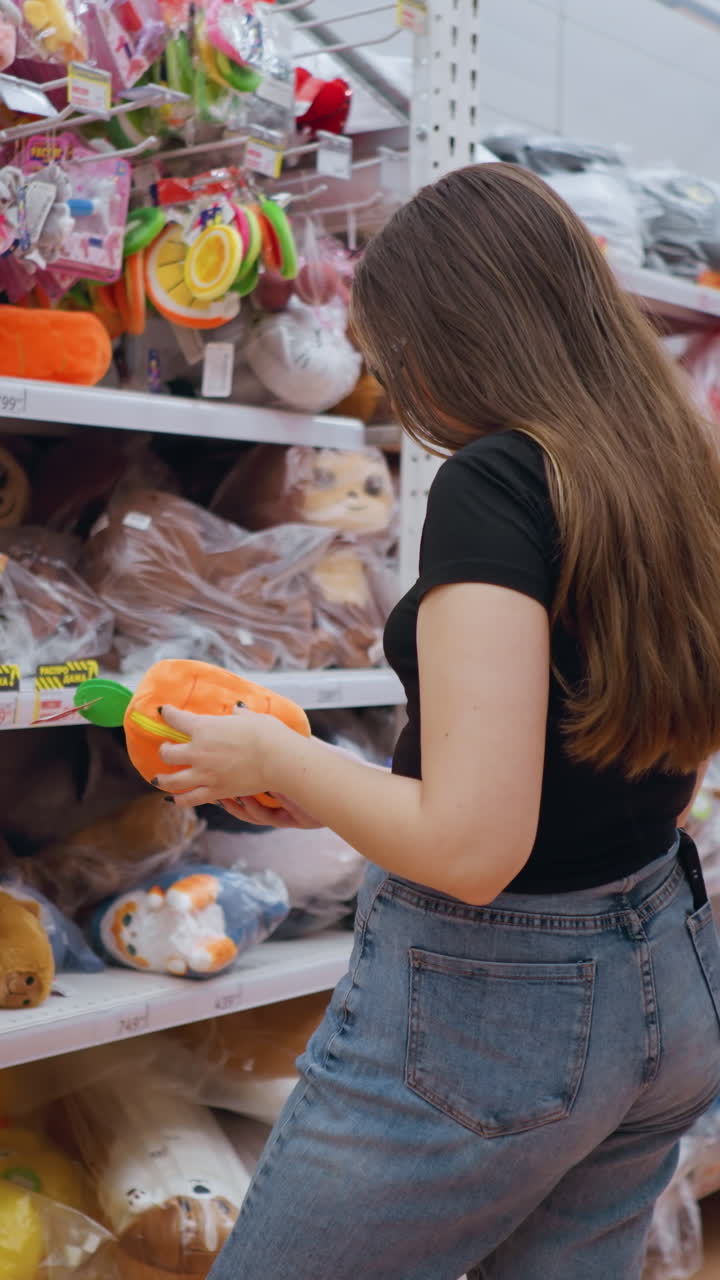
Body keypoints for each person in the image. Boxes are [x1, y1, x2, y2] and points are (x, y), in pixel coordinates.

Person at [155, 164, 720, 1280]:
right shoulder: (660, 459)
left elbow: (473, 843)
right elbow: (591, 754)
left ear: (453, 336)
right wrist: (324, 783)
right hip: (664, 965)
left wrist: (279, 752)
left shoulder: (499, 484)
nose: (393, 387)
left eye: (392, 355)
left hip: (501, 1010)